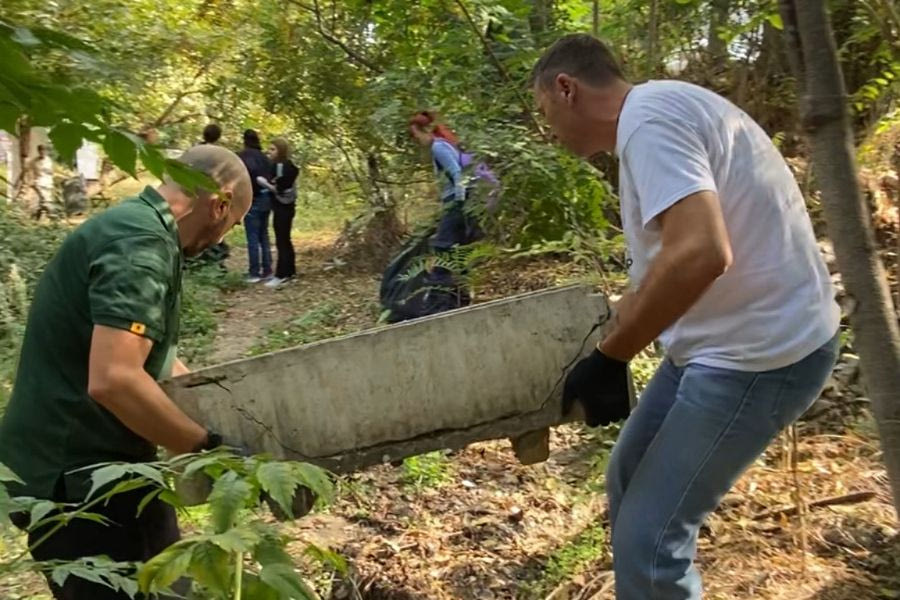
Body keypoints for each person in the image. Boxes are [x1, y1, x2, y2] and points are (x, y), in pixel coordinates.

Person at [532, 34, 839, 599]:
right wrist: (617, 326)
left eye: (544, 111)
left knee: (651, 543)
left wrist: (611, 357)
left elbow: (701, 253)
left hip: (759, 356)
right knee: (627, 479)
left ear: (566, 89)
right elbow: (674, 256)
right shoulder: (657, 113)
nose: (547, 129)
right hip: (715, 347)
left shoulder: (649, 123)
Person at [0, 145, 252, 600]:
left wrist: (210, 403)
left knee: (168, 579)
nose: (221, 239)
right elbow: (115, 378)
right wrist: (206, 447)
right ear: (219, 204)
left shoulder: (141, 228)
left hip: (101, 463)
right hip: (75, 481)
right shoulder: (140, 245)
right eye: (231, 225)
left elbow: (148, 358)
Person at [256, 137, 299, 288]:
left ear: (281, 151)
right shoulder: (286, 165)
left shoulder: (281, 166)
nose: (270, 152)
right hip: (287, 206)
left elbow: (279, 188)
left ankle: (281, 274)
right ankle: (290, 271)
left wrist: (264, 183)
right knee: (285, 239)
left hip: (282, 206)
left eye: (273, 149)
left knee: (281, 240)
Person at [238, 129, 274, 283]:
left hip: (251, 198)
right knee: (263, 234)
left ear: (244, 140)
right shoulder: (265, 158)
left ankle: (254, 272)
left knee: (252, 236)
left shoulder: (241, 157)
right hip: (266, 198)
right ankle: (267, 269)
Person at [29, 144, 56, 220]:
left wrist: (47, 171)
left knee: (45, 202)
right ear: (38, 151)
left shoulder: (48, 160)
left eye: (44, 151)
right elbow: (30, 170)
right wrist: (32, 180)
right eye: (40, 151)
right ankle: (49, 216)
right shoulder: (35, 161)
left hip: (47, 183)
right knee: (42, 201)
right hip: (38, 183)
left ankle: (50, 217)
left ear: (46, 151)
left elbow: (51, 172)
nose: (42, 152)